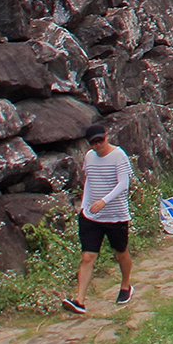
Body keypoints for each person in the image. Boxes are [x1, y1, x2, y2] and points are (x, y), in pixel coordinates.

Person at [63, 122, 133, 313]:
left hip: (115, 216)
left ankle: (126, 284)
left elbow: (123, 184)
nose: (98, 146)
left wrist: (104, 201)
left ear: (106, 137)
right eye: (94, 143)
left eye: (100, 141)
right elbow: (89, 183)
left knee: (120, 252)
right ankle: (79, 300)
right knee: (87, 256)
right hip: (91, 217)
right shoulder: (89, 157)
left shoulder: (119, 156)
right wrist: (84, 207)